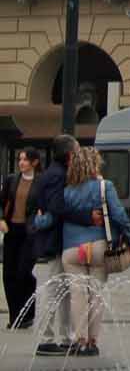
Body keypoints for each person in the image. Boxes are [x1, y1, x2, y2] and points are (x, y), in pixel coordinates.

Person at [58, 147, 127, 358]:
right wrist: (128, 236)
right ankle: (92, 342)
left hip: (72, 249)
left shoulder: (66, 190)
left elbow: (55, 215)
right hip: (98, 246)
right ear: (94, 164)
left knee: (77, 295)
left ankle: (79, 340)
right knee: (96, 294)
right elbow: (119, 215)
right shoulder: (105, 187)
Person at [32, 136, 89, 354]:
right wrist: (85, 217)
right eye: (76, 150)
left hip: (58, 239)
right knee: (55, 289)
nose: (78, 154)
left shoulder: (53, 172)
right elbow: (57, 207)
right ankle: (47, 338)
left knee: (63, 290)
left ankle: (66, 337)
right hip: (57, 239)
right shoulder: (57, 175)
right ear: (68, 154)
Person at [2, 148, 39, 329]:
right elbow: (1, 202)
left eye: (25, 160)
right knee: (8, 274)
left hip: (29, 233)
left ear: (34, 162)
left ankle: (27, 313)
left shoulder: (40, 183)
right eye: (20, 159)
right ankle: (15, 317)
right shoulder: (11, 180)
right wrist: (1, 219)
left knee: (23, 273)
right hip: (11, 230)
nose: (21, 163)